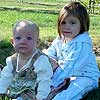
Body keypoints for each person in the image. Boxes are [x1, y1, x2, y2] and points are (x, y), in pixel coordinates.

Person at [43, 2, 100, 100]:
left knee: (74, 89)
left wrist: (52, 83)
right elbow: (51, 52)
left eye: (72, 23)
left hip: (85, 76)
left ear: (82, 24)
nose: (66, 26)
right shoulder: (60, 39)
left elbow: (70, 67)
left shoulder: (81, 45)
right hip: (65, 74)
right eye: (63, 22)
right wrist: (48, 61)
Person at [0, 20, 53, 100]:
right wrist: (1, 90)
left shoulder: (40, 60)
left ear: (37, 42)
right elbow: (6, 77)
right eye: (18, 38)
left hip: (34, 93)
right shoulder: (12, 60)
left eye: (29, 38)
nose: (23, 41)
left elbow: (44, 81)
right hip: (17, 90)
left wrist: (41, 97)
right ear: (12, 42)